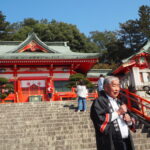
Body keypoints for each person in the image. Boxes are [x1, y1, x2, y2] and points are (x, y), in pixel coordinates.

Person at [91, 76, 136, 150]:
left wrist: (129, 121)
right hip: (111, 143)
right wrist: (118, 112)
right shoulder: (99, 101)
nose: (117, 89)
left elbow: (130, 118)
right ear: (105, 87)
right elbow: (99, 120)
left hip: (126, 141)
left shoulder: (119, 101)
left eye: (118, 85)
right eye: (114, 86)